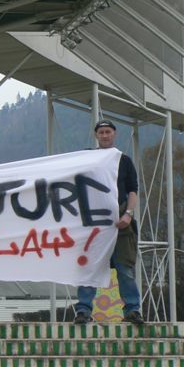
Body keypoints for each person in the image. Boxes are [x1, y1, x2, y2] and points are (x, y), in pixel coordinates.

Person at [74, 119, 144, 325]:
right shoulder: (87, 158)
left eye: (108, 132)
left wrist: (128, 214)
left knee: (125, 269)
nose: (105, 135)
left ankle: (132, 309)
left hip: (120, 223)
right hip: (94, 223)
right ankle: (83, 310)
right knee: (89, 268)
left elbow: (133, 190)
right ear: (96, 135)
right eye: (101, 132)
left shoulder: (124, 160)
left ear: (114, 134)